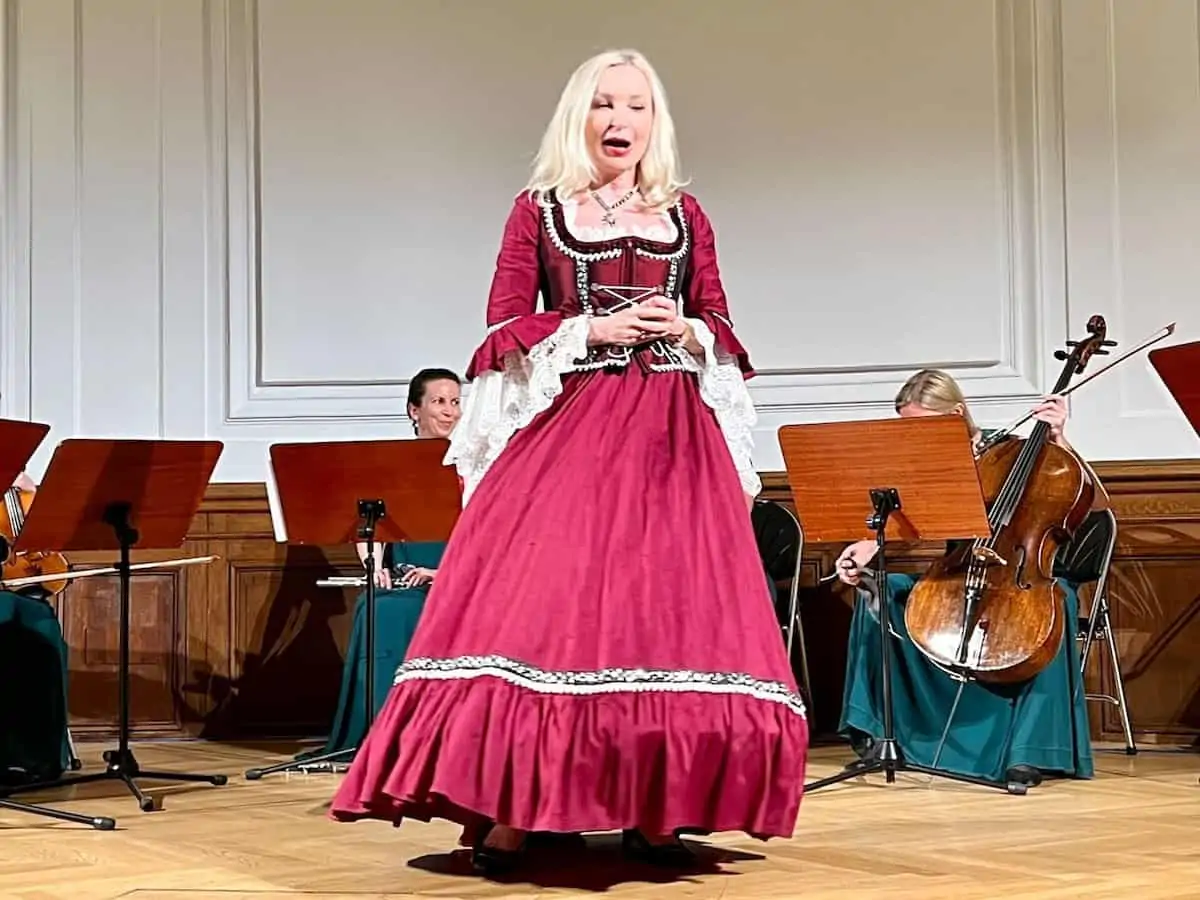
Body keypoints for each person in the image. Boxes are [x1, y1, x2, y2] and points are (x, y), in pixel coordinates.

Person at [329, 49, 808, 873]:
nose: (620, 121)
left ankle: (658, 810)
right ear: (577, 117)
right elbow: (501, 325)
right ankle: (514, 810)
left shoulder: (686, 217)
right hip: (571, 423)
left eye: (636, 106)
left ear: (655, 121)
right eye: (603, 105)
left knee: (666, 608)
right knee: (548, 605)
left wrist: (684, 328)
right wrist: (586, 329)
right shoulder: (538, 212)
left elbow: (721, 322)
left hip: (669, 433)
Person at [835, 369, 1095, 787]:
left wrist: (1059, 439)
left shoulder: (1013, 451)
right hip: (960, 575)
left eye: (921, 426)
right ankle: (881, 735)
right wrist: (869, 545)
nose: (913, 439)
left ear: (956, 413)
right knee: (877, 590)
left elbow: (1092, 502)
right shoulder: (928, 467)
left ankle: (1027, 752)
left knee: (1057, 603)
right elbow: (906, 520)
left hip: (1026, 577)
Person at [313, 369, 463, 758]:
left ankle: (444, 740)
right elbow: (369, 527)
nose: (450, 412)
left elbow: (488, 536)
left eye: (455, 401)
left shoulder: (472, 462)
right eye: (438, 402)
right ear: (414, 410)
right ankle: (383, 739)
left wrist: (443, 574)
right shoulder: (391, 464)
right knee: (379, 608)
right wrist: (374, 565)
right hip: (405, 578)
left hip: (459, 579)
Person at [0, 471, 73, 785]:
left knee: (44, 630)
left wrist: (37, 499)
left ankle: (43, 755)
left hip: (25, 592)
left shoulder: (23, 494)